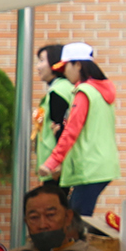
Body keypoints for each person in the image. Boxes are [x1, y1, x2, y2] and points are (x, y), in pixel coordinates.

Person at [41, 41, 119, 218]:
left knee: (75, 221)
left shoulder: (83, 92)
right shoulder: (100, 92)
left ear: (78, 65)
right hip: (101, 164)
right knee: (78, 217)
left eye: (66, 66)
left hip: (88, 167)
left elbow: (72, 131)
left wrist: (51, 162)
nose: (64, 72)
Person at [32, 42, 74, 186]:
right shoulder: (64, 88)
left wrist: (57, 163)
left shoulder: (59, 91)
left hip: (55, 167)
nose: (38, 67)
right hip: (56, 164)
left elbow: (60, 128)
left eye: (42, 60)